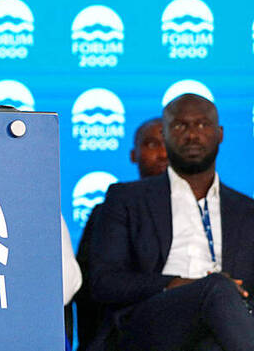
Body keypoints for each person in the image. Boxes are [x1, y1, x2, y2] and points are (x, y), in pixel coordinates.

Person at [88, 94, 254, 351]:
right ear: (165, 135)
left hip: (228, 323)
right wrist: (174, 283)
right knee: (216, 287)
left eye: (202, 125)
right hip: (151, 320)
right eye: (180, 126)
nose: (192, 135)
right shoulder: (126, 198)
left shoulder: (247, 210)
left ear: (220, 133)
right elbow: (104, 282)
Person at [75, 117, 166, 350]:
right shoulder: (107, 211)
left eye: (168, 143)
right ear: (133, 154)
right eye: (152, 144)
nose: (163, 153)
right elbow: (88, 292)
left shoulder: (215, 209)